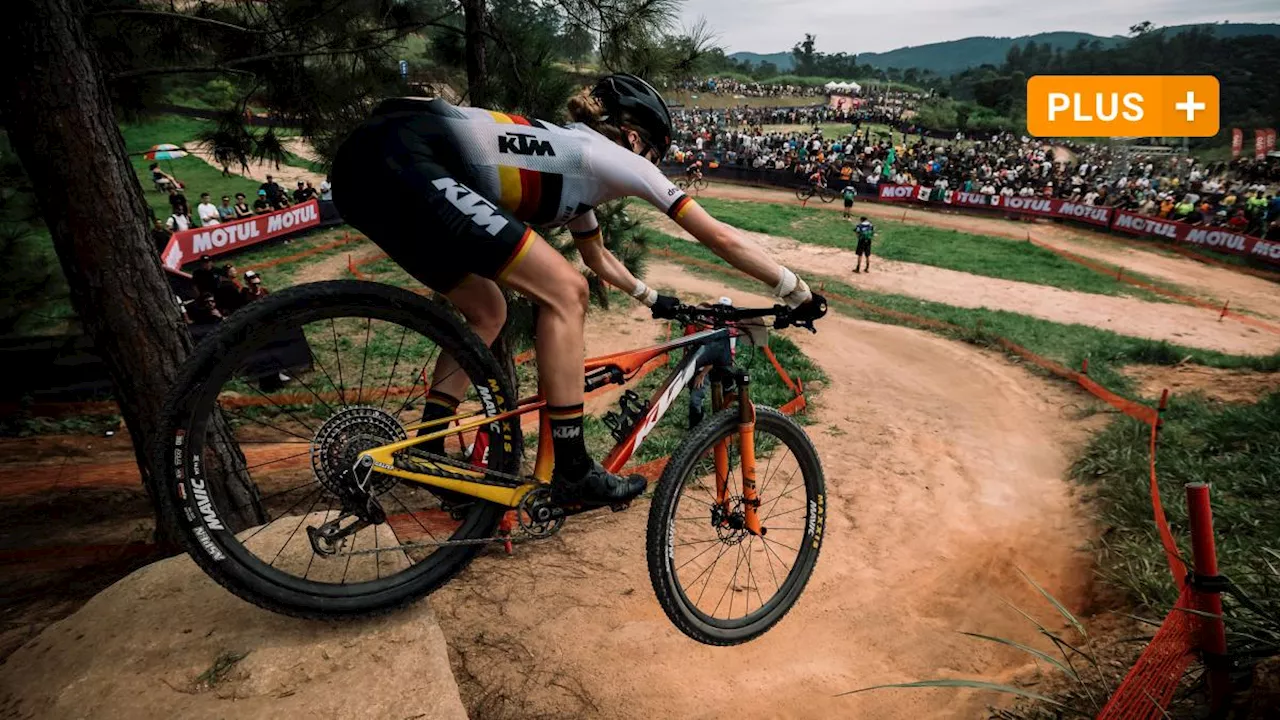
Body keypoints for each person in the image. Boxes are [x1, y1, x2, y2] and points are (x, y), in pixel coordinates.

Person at [331, 73, 826, 508]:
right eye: (656, 156)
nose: (654, 166)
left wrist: (654, 298)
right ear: (634, 137)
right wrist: (795, 288)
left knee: (488, 310)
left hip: (369, 168)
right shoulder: (608, 155)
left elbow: (599, 259)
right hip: (403, 153)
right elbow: (717, 235)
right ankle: (572, 467)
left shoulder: (574, 164)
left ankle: (429, 444)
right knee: (566, 292)